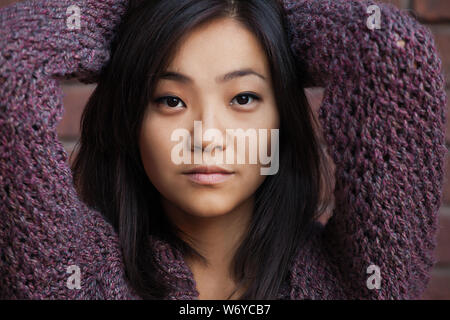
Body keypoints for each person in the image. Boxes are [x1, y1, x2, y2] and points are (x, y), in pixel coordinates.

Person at [0, 0, 447, 300]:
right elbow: (12, 59)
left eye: (243, 99)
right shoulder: (72, 274)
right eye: (171, 100)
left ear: (281, 118)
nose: (208, 136)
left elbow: (392, 52)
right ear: (132, 120)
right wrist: (134, 21)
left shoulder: (355, 278)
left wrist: (269, 15)